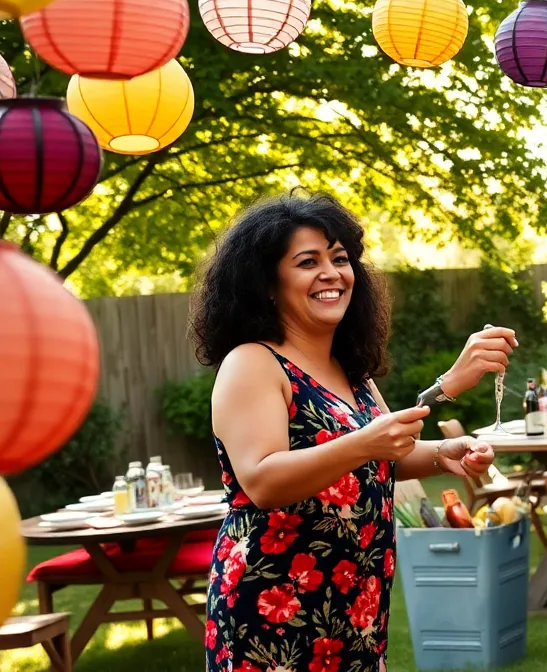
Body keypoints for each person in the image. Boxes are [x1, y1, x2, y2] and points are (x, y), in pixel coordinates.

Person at [191, 192, 518, 672]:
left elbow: (384, 453)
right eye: (308, 262)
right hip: (272, 606)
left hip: (354, 602)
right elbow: (261, 480)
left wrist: (443, 452)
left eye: (340, 259)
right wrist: (366, 441)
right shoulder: (252, 363)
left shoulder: (350, 371)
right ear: (266, 283)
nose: (332, 273)